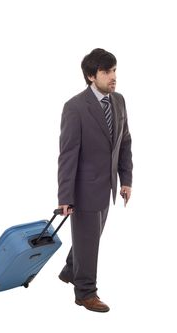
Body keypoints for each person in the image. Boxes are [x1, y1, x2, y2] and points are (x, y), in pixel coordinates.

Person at [57, 48, 133, 312]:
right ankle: (85, 293)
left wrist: (126, 179)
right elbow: (67, 156)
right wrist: (65, 198)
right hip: (83, 189)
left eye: (114, 70)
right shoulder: (75, 107)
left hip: (108, 187)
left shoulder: (119, 101)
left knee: (89, 239)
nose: (113, 76)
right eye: (106, 72)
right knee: (89, 241)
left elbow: (124, 142)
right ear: (91, 76)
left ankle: (70, 270)